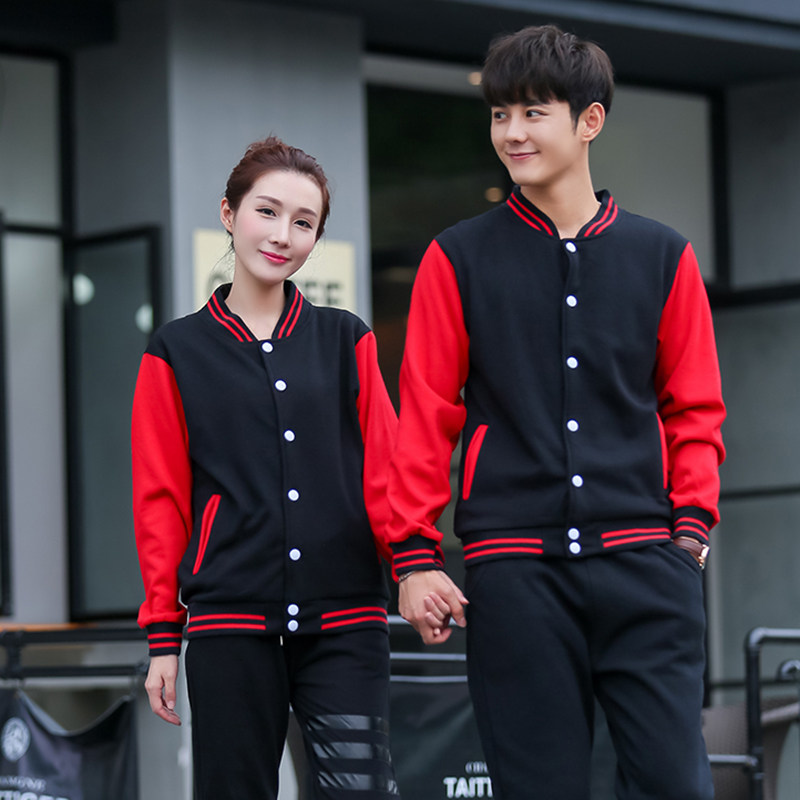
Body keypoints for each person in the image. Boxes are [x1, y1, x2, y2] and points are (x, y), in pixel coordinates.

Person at [386, 24, 725, 800]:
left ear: (589, 121)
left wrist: (690, 535)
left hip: (648, 564)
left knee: (677, 784)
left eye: (533, 112)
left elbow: (695, 409)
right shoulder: (456, 258)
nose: (512, 132)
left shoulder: (662, 256)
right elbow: (426, 412)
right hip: (516, 573)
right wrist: (414, 555)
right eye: (500, 114)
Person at [131, 136, 400, 800]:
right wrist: (163, 635)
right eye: (267, 212)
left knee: (360, 789)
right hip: (230, 623)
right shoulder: (176, 350)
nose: (283, 235)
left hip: (346, 620)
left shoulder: (347, 338)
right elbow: (160, 499)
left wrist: (414, 564)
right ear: (229, 214)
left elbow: (387, 469)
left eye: (304, 223)